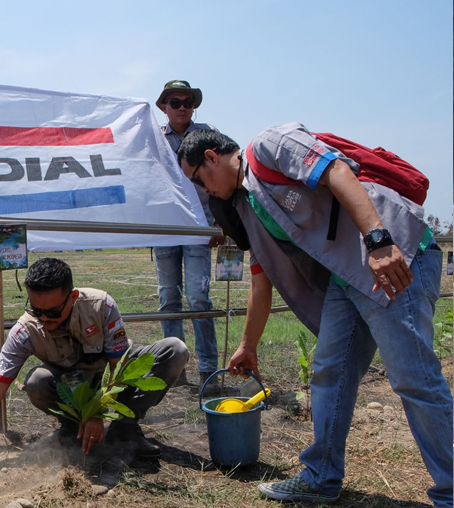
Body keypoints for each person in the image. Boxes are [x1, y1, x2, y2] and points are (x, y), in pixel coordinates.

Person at [177, 125, 452, 506]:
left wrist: (378, 240)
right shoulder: (246, 207)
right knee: (329, 370)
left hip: (393, 256)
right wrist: (247, 345)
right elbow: (261, 282)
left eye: (199, 180)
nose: (204, 192)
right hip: (350, 278)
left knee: (413, 376)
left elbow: (337, 171)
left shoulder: (269, 145)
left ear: (211, 156)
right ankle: (321, 477)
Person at [0, 258, 189, 466]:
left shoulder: (101, 305)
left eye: (52, 312)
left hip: (112, 381)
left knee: (174, 350)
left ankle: (124, 430)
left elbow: (118, 366)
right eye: (35, 310)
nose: (43, 319)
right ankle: (73, 432)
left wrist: (97, 412)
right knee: (37, 382)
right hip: (72, 388)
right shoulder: (24, 330)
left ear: (72, 297)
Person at [153, 80, 221, 384]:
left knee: (198, 298)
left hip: (199, 227)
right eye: (175, 102)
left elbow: (226, 172)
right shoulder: (151, 136)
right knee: (168, 297)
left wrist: (221, 225)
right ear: (164, 107)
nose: (182, 107)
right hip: (164, 229)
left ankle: (208, 367)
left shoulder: (209, 134)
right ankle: (173, 367)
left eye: (187, 102)